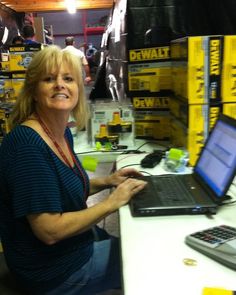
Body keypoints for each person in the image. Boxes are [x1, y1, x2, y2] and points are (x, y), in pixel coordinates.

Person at [0, 45, 146, 295]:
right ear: (34, 91)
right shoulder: (27, 145)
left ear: (79, 88)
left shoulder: (61, 132)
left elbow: (59, 190)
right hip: (52, 270)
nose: (60, 85)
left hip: (74, 245)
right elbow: (49, 231)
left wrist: (108, 181)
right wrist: (112, 203)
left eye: (68, 78)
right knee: (144, 261)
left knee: (138, 244)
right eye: (49, 79)